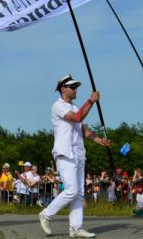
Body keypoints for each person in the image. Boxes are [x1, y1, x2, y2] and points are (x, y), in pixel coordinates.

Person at [38, 74, 110, 238]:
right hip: (64, 153)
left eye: (76, 86)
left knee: (79, 193)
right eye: (73, 87)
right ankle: (46, 214)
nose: (76, 89)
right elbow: (76, 118)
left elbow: (83, 130)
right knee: (71, 190)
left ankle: (76, 228)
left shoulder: (76, 107)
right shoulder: (58, 106)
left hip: (78, 153)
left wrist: (100, 141)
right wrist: (91, 101)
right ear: (63, 89)